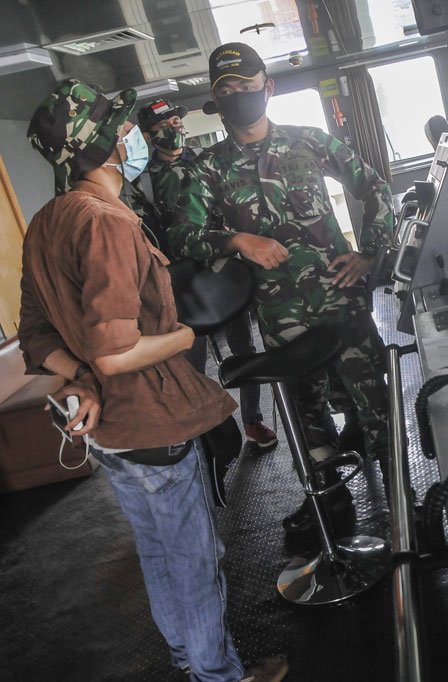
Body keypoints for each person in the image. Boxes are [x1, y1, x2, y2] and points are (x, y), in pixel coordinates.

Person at [20, 78, 287, 682]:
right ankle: (218, 674)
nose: (134, 134)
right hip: (152, 424)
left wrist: (80, 381)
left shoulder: (45, 222)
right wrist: (189, 334)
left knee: (159, 555)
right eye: (122, 128)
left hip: (109, 434)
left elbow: (39, 338)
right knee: (195, 561)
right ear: (106, 147)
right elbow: (116, 353)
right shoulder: (106, 223)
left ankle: (190, 663)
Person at [169, 43, 395, 537]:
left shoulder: (309, 141)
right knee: (306, 416)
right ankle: (331, 508)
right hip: (279, 315)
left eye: (246, 86)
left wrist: (370, 255)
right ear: (215, 98)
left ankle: (403, 503)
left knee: (376, 403)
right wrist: (236, 239)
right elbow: (182, 235)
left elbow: (376, 189)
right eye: (225, 90)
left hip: (342, 304)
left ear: (267, 88)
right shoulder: (207, 168)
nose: (237, 96)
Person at [136, 97, 278, 451]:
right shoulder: (143, 181)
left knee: (244, 348)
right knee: (192, 361)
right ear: (148, 135)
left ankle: (252, 419)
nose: (175, 128)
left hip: (224, 272)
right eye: (165, 126)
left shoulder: (205, 162)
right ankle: (213, 429)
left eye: (176, 121)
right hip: (182, 287)